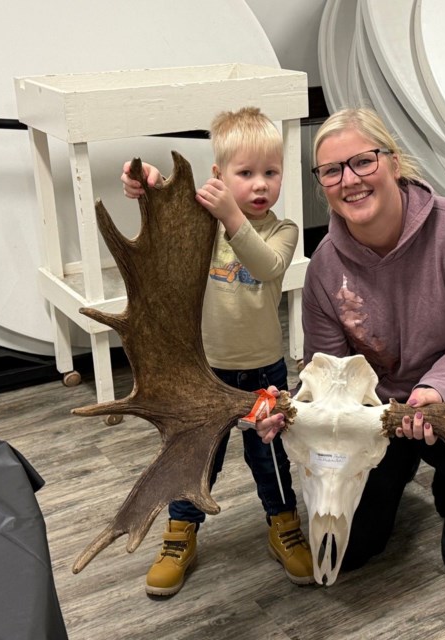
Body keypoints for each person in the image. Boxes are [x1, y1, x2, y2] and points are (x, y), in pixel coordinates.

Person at [257, 107, 445, 573]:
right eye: (331, 171)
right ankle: (400, 462)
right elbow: (327, 370)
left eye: (362, 162)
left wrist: (435, 393)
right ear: (322, 184)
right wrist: (294, 410)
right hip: (375, 414)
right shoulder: (325, 269)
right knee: (349, 553)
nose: (349, 180)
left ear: (392, 162)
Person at [121, 106, 312, 595]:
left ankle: (283, 525)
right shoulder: (204, 226)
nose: (259, 184)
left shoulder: (284, 230)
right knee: (195, 458)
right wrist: (150, 186)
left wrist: (231, 217)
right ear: (218, 176)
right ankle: (180, 534)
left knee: (268, 458)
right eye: (244, 173)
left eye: (270, 172)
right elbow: (169, 221)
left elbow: (268, 266)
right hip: (203, 373)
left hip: (263, 372)